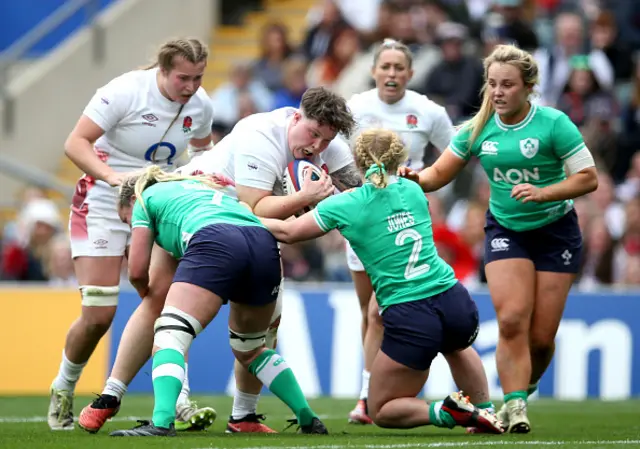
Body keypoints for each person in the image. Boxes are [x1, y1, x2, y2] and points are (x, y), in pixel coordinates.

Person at [81, 86, 360, 434]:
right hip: (221, 213)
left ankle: (233, 415)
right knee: (167, 306)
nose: (317, 146)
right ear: (296, 115)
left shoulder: (328, 145)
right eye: (313, 134)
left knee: (183, 324)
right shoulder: (260, 133)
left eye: (325, 140)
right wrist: (311, 199)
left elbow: (356, 190)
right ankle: (113, 392)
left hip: (227, 228)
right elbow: (257, 206)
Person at [399, 44, 598, 433]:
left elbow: (587, 178)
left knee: (541, 340)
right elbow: (438, 175)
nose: (498, 92)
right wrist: (414, 178)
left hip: (556, 232)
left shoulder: (554, 123)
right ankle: (515, 404)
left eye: (507, 85)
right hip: (506, 230)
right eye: (492, 84)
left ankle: (525, 385)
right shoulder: (477, 128)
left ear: (528, 87)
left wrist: (545, 192)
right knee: (510, 320)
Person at [259, 129, 503, 434]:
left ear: (355, 162)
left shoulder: (345, 205)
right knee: (457, 347)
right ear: (399, 157)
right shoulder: (414, 190)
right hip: (453, 298)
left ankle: (447, 411)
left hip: (411, 312)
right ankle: (487, 411)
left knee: (382, 409)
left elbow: (287, 232)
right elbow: (390, 198)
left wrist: (241, 212)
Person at [48, 37, 216, 432]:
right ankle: (64, 387)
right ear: (162, 70)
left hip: (159, 205)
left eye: (198, 78)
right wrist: (113, 178)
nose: (190, 87)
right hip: (106, 202)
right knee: (98, 315)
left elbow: (204, 150)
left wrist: (198, 177)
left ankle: (178, 401)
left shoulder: (201, 104)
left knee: (166, 303)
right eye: (182, 78)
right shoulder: (124, 91)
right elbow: (75, 142)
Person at [108, 166, 327, 436]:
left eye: (125, 219)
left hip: (214, 240)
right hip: (262, 243)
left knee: (170, 334)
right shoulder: (207, 190)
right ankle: (307, 416)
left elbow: (137, 271)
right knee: (251, 349)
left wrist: (145, 292)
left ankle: (162, 422)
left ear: (131, 200)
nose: (128, 225)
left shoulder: (144, 199)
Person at [344, 38, 492, 428]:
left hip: (405, 215)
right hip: (365, 220)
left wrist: (425, 185)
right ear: (374, 70)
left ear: (410, 73)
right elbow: (335, 156)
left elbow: (455, 155)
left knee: (384, 307)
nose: (392, 74)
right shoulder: (356, 108)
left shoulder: (427, 111)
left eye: (399, 68)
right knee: (371, 312)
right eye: (385, 67)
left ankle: (374, 395)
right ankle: (366, 392)